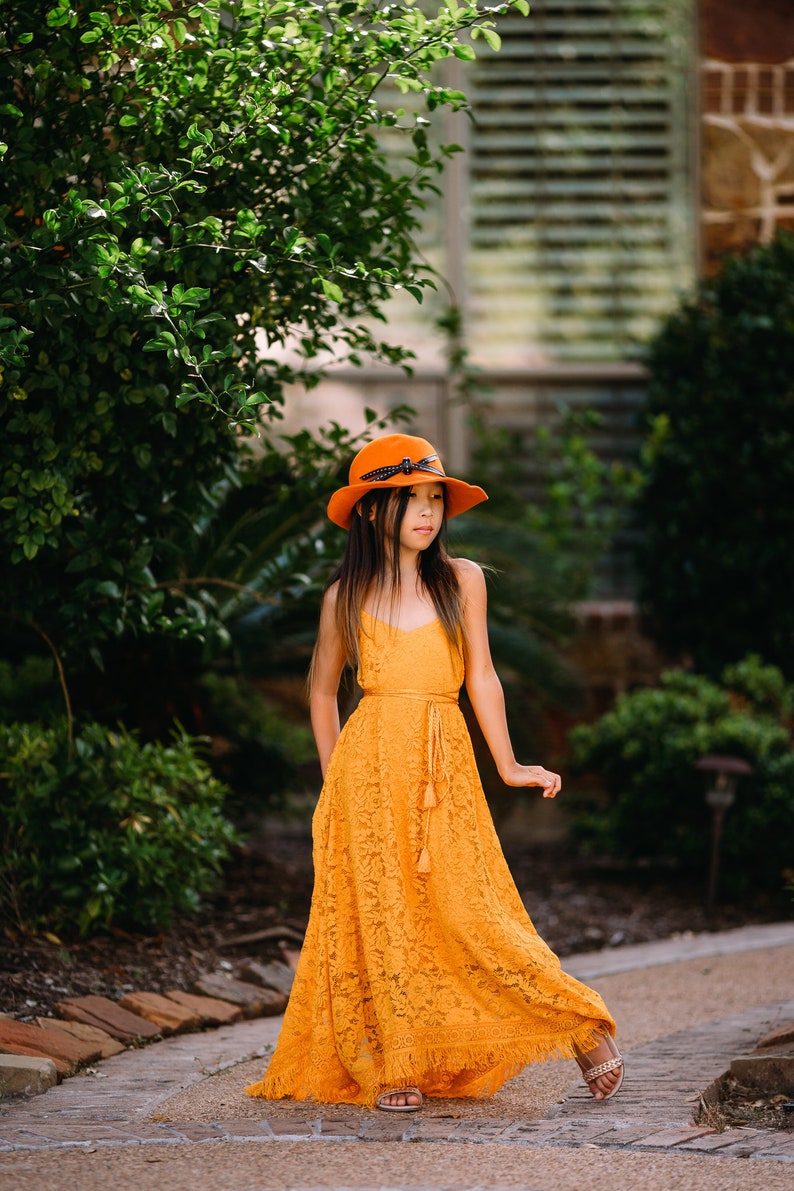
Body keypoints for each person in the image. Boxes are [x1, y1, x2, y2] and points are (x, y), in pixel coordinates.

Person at [245, 432, 623, 1112]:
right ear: (369, 511)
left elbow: (482, 673)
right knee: (384, 919)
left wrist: (508, 763)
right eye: (409, 499)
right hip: (365, 772)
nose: (426, 512)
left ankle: (580, 1023)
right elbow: (324, 690)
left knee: (476, 911)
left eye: (434, 499)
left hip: (442, 764)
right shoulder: (343, 595)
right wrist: (336, 784)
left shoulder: (463, 580)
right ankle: (398, 1066)